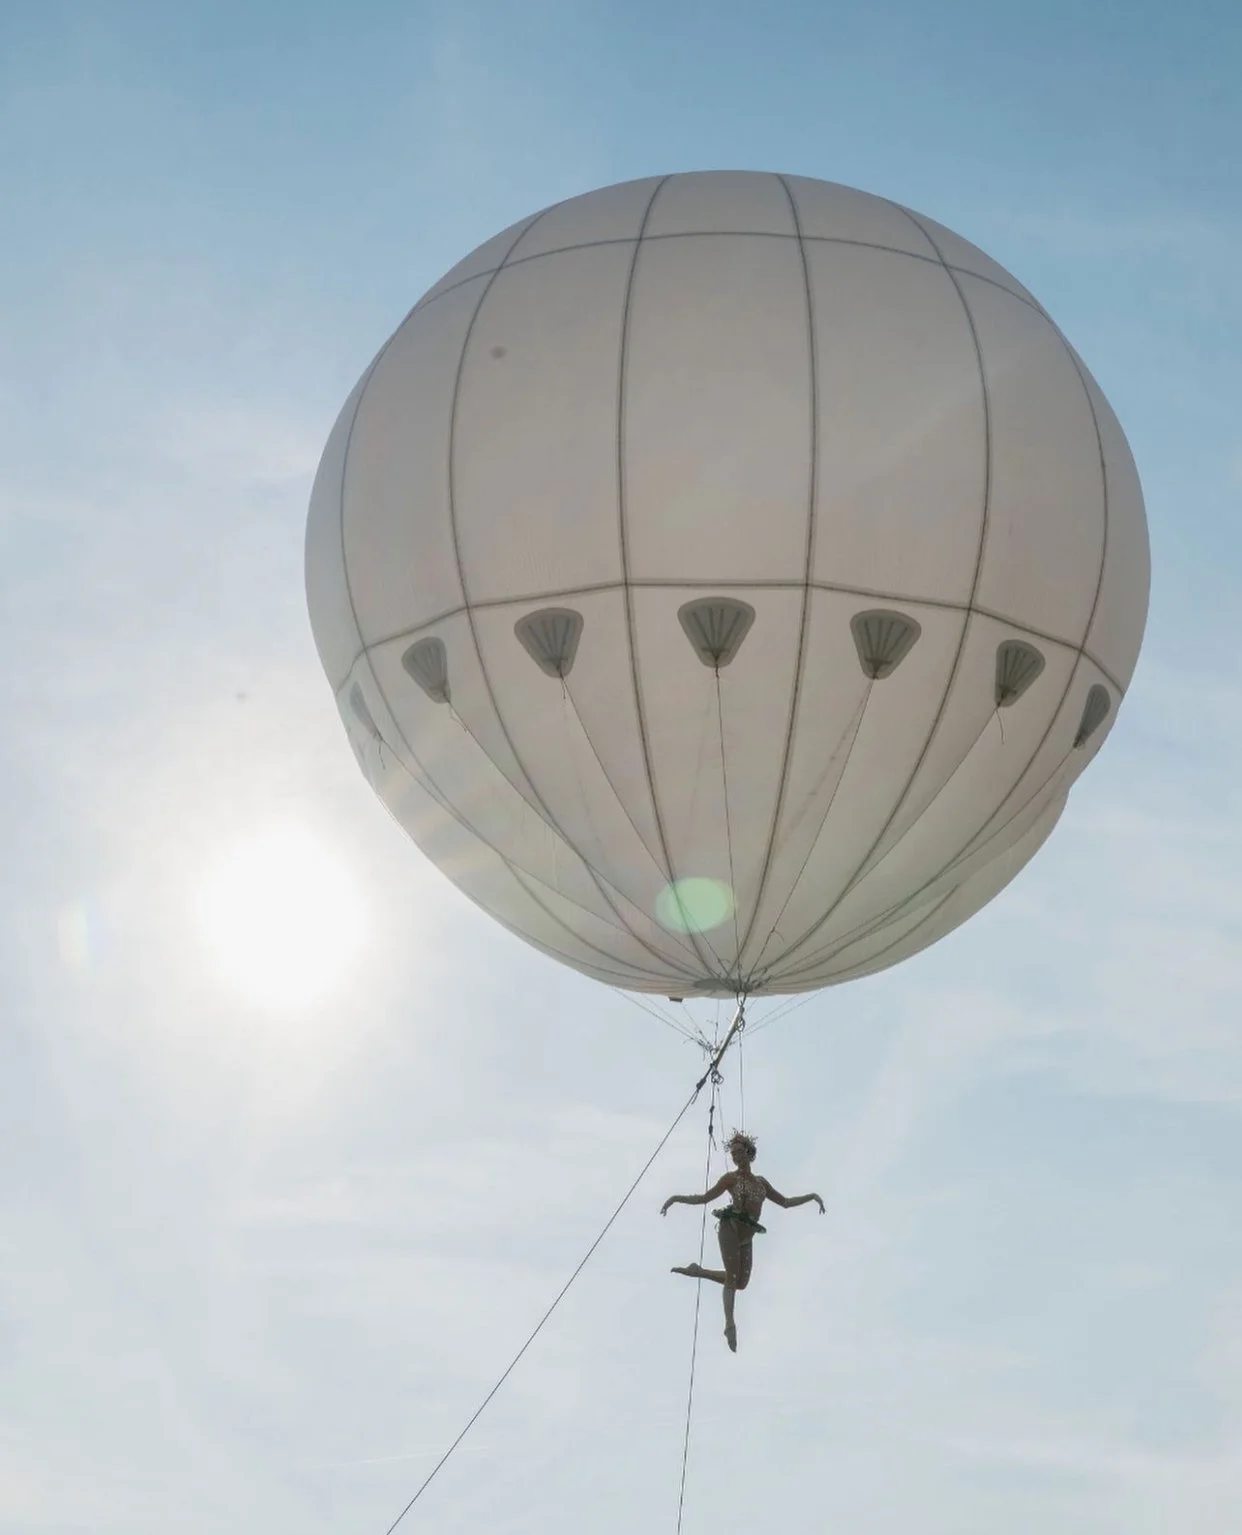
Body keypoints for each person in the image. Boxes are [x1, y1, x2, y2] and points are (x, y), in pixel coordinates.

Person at [660, 1131, 824, 1352]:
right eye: (733, 1154)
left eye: (738, 1152)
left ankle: (697, 1271)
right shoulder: (731, 1179)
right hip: (731, 1227)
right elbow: (704, 1198)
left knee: (741, 1283)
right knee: (732, 1278)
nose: (735, 1157)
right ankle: (729, 1324)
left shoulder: (761, 1183)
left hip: (747, 1236)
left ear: (748, 1152)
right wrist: (675, 1199)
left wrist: (812, 1196)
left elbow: (785, 1202)